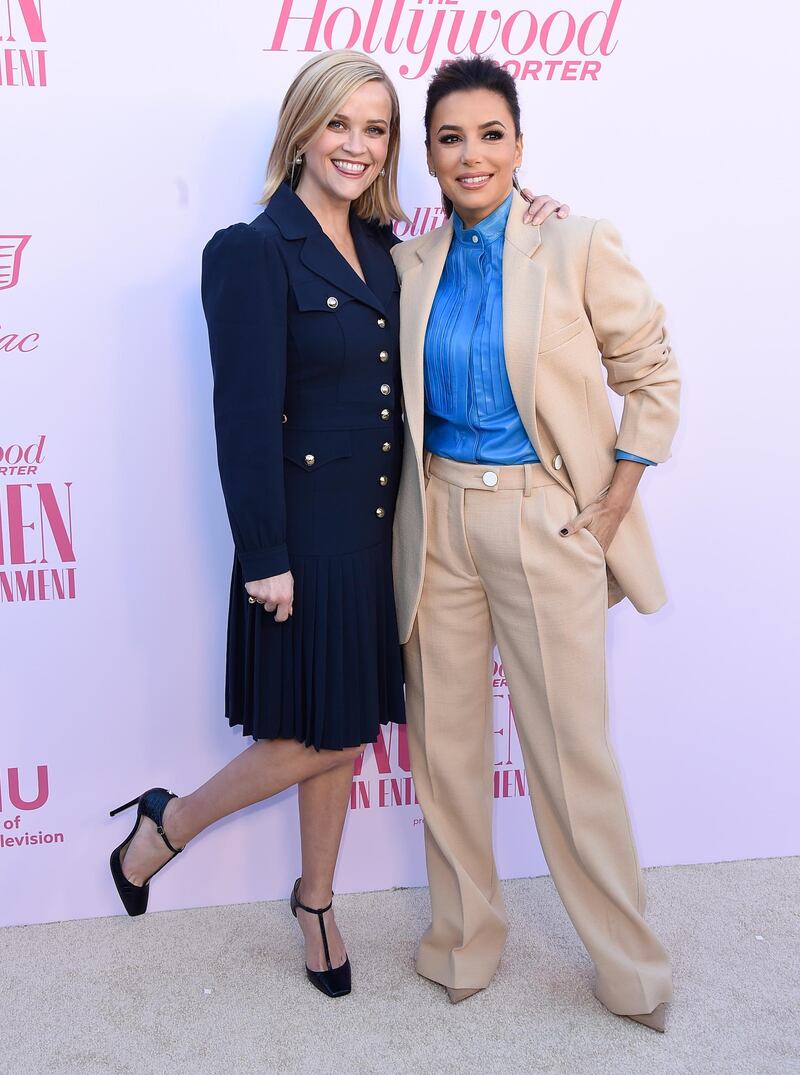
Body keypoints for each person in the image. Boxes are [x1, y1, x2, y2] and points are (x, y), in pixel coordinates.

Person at [108, 50, 567, 1000]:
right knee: (322, 732)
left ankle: (315, 897)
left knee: (348, 733)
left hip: (381, 533)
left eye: (376, 128)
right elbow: (240, 417)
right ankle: (170, 823)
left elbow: (473, 267)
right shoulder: (250, 249)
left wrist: (536, 217)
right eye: (339, 124)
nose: (358, 145)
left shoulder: (387, 247)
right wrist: (264, 555)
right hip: (303, 539)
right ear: (301, 130)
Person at [390, 56, 680, 1031]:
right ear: (426, 155)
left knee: (570, 755)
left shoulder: (574, 243)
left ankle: (630, 969)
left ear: (519, 143)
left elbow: (651, 376)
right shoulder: (405, 263)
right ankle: (462, 941)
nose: (470, 155)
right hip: (435, 521)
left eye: (489, 134)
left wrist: (610, 501)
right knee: (444, 748)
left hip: (542, 519)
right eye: (449, 137)